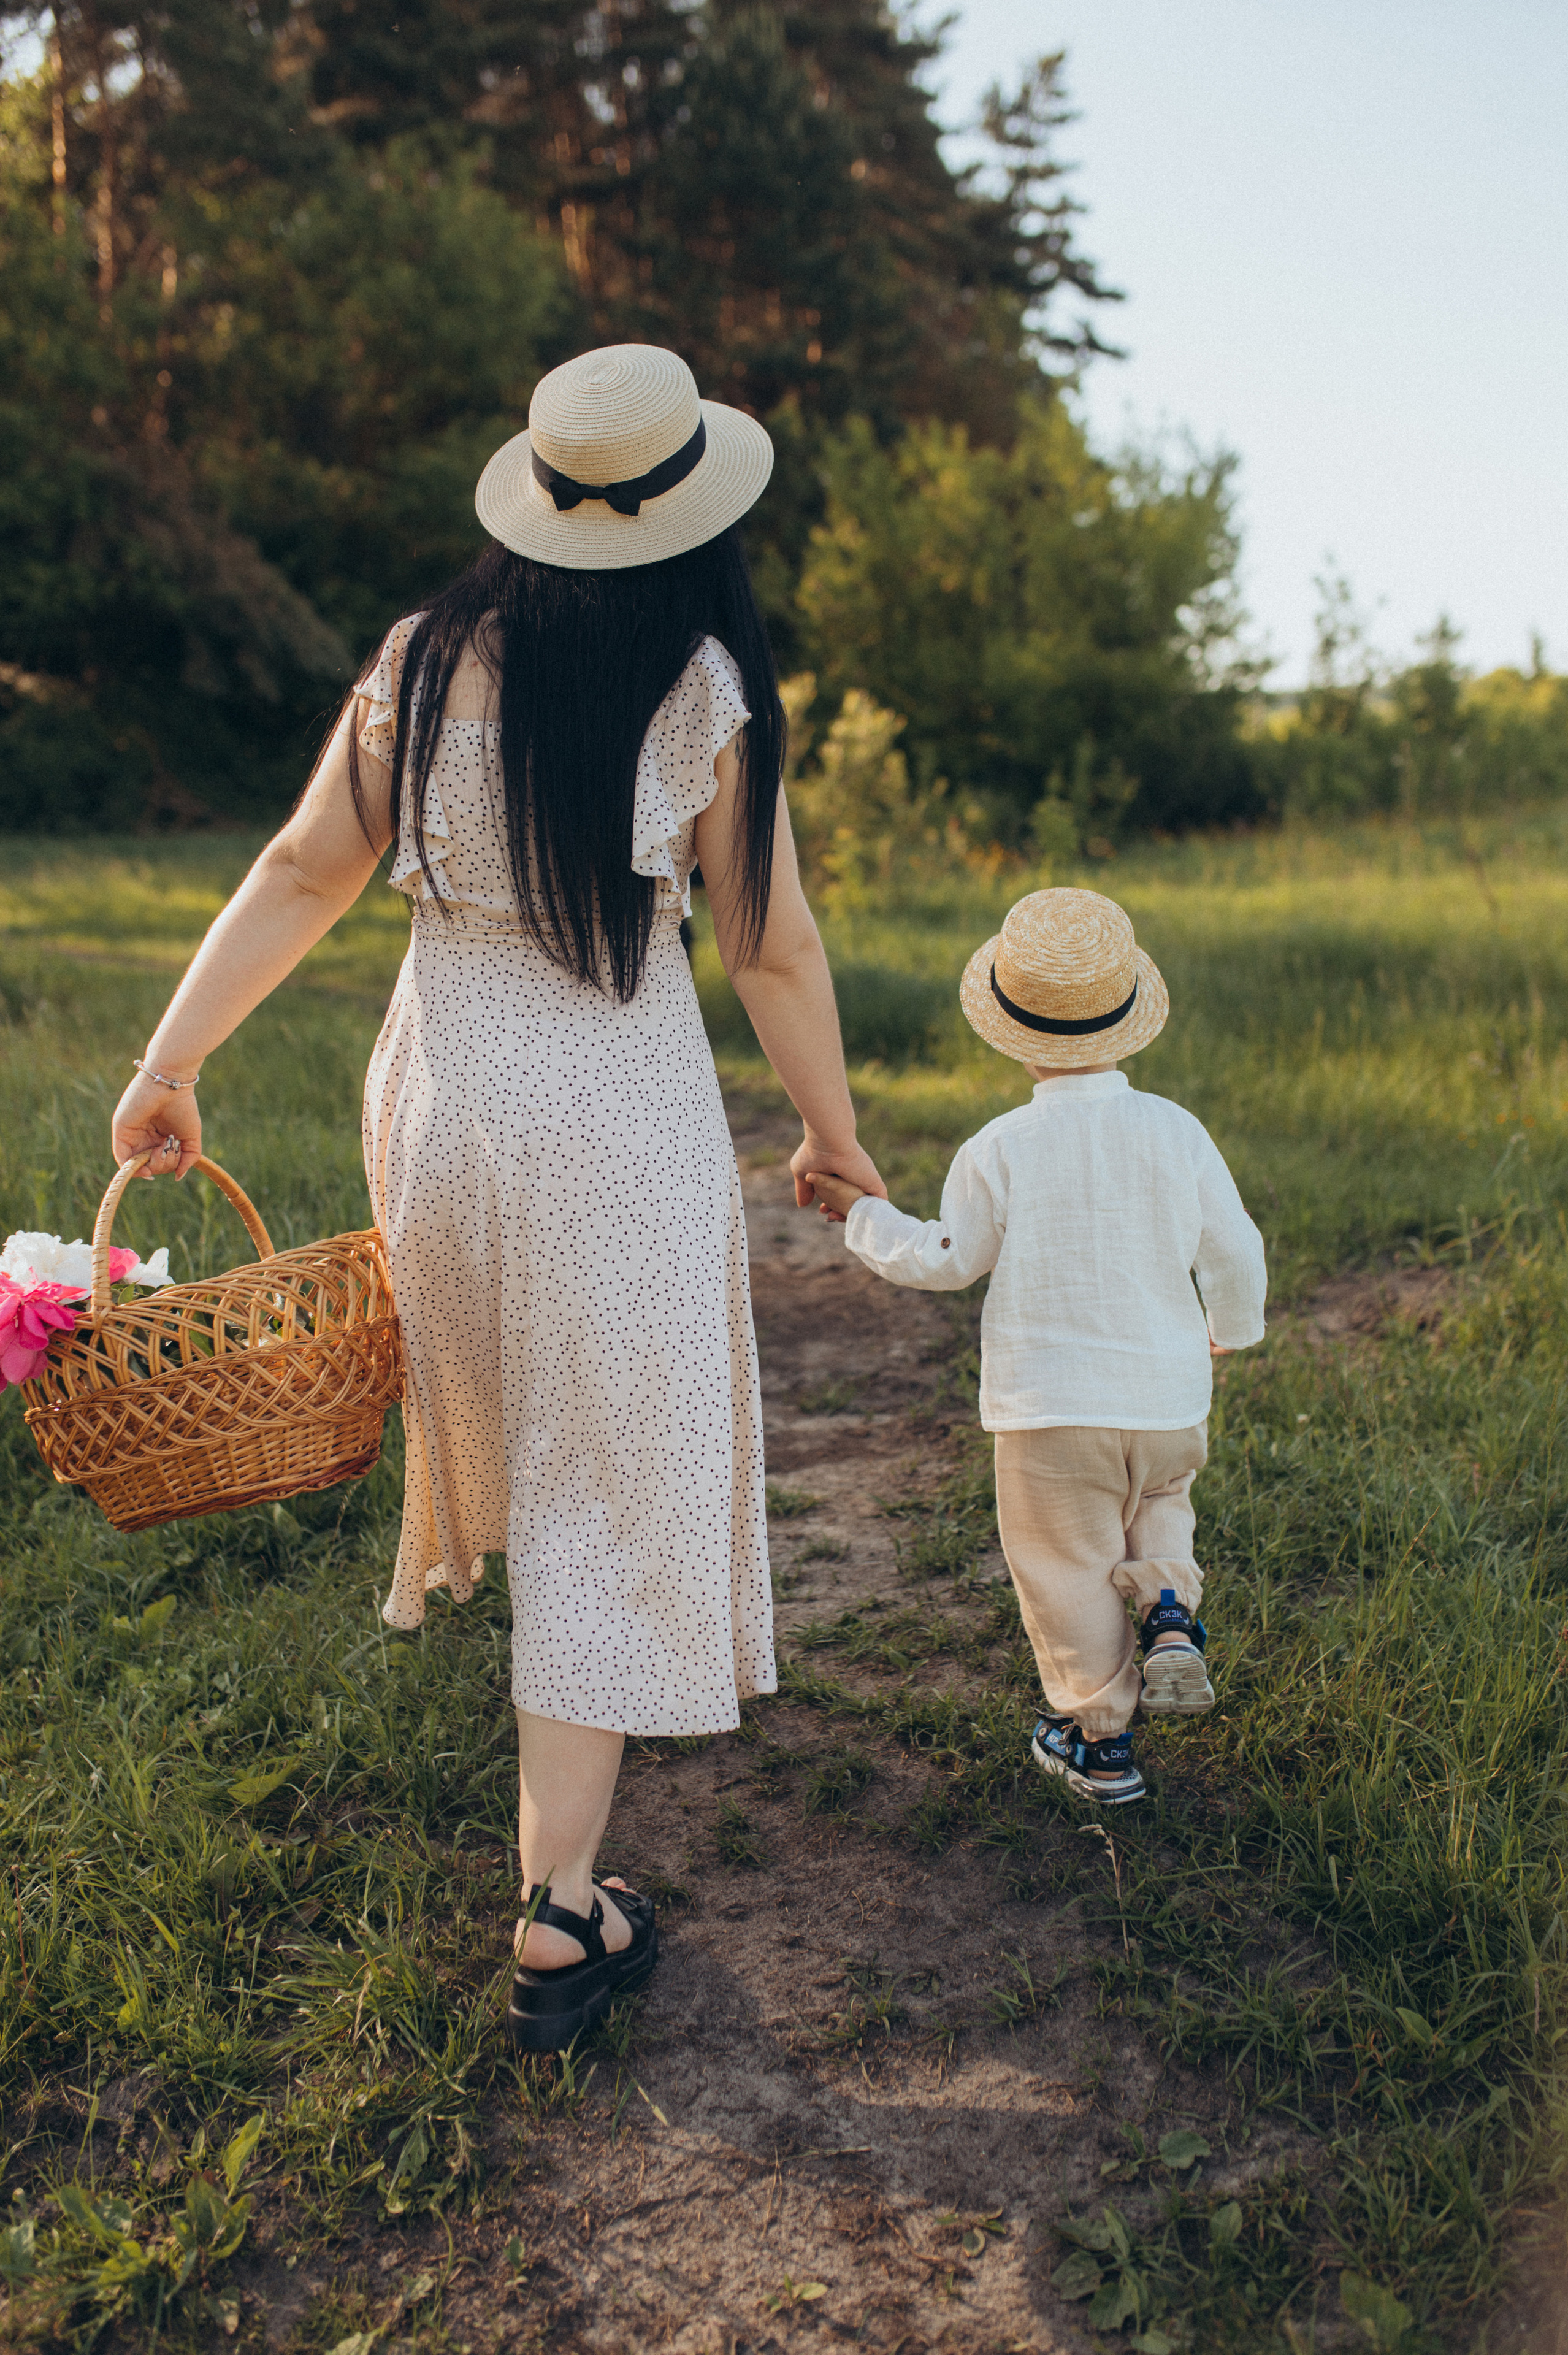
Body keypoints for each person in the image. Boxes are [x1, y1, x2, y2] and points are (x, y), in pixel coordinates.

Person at [110, 344, 885, 2043]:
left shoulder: (420, 655)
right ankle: (557, 1911)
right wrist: (832, 1133)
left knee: (542, 1446)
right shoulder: (694, 686)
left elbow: (305, 865)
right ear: (692, 513)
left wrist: (172, 1059)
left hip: (443, 1112)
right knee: (608, 1479)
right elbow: (771, 939)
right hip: (611, 1119)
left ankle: (566, 1842)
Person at [806, 887, 1266, 1806]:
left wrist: (863, 1216)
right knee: (1164, 1499)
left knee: (1065, 1568)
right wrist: (1229, 1330)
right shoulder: (1178, 1133)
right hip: (1168, 1399)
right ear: (1131, 1019)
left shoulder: (1000, 1147)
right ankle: (1171, 1609)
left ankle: (1099, 1738)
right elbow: (1236, 1247)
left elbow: (949, 1258)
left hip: (1052, 1414)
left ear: (1012, 1035)